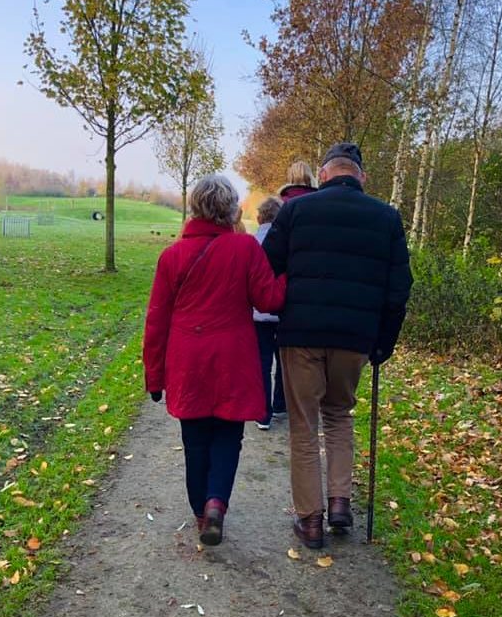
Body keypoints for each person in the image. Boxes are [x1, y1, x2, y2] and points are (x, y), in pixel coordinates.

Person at [263, 142, 412, 549]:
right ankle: (340, 503)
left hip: (301, 336)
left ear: (324, 174)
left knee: (304, 425)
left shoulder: (295, 211)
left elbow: (266, 267)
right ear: (360, 176)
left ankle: (310, 520)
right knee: (339, 416)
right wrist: (383, 342)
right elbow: (399, 289)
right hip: (354, 339)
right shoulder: (387, 218)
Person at [143, 175, 285, 546]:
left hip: (187, 360)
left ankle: (198, 508)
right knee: (227, 436)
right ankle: (216, 504)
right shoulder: (245, 249)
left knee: (195, 439)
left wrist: (154, 376)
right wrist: (292, 277)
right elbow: (268, 300)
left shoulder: (171, 257)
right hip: (233, 358)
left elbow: (157, 320)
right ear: (229, 209)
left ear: (194, 207)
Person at [252, 197, 287, 431]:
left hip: (258, 314)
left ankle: (263, 413)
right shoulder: (288, 241)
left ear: (258, 218)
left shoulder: (251, 242)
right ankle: (280, 403)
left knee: (262, 362)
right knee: (283, 359)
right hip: (284, 311)